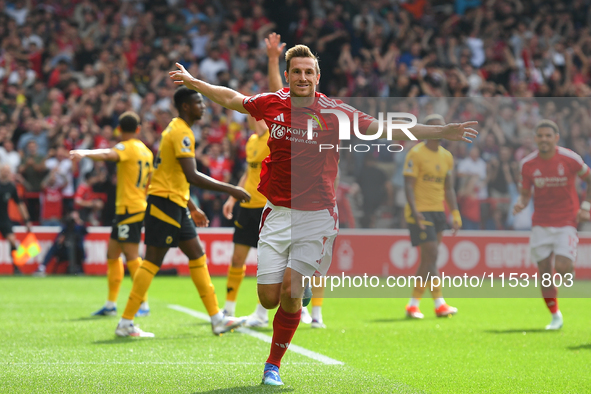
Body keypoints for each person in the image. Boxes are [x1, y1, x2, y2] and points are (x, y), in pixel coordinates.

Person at [169, 39, 478, 385]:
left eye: (309, 72)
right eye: (297, 72)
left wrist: (441, 132)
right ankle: (290, 307)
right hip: (277, 212)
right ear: (287, 76)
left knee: (290, 289)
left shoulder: (336, 112)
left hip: (317, 215)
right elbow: (232, 99)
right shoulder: (273, 103)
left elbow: (388, 128)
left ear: (318, 76)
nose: (303, 77)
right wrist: (195, 83)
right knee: (268, 299)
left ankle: (273, 364)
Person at [114, 87, 251, 338]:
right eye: (199, 102)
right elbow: (191, 175)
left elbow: (172, 175)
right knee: (153, 261)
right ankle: (125, 322)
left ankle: (217, 319)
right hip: (164, 204)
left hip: (175, 202)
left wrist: (192, 206)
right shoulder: (180, 132)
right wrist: (231, 188)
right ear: (186, 106)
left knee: (197, 255)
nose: (204, 106)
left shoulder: (177, 130)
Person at [220, 33, 314, 328]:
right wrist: (232, 196)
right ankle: (236, 309)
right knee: (244, 262)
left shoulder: (277, 132)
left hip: (278, 206)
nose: (253, 115)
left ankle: (306, 308)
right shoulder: (251, 142)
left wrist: (273, 59)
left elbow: (280, 94)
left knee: (288, 266)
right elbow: (249, 171)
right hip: (252, 205)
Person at [69, 111, 154, 317]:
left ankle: (143, 303)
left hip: (129, 209)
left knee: (132, 257)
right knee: (112, 254)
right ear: (138, 129)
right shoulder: (147, 152)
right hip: (131, 207)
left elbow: (109, 155)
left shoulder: (126, 147)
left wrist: (84, 153)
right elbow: (149, 182)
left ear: (119, 130)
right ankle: (110, 305)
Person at [513, 120, 591, 330]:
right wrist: (521, 203)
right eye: (540, 136)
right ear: (535, 139)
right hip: (540, 223)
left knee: (562, 267)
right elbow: (525, 193)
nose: (544, 139)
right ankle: (555, 315)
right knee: (545, 272)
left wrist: (585, 206)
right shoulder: (528, 164)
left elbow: (589, 178)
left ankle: (568, 271)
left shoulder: (569, 158)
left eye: (548, 135)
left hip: (566, 220)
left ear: (556, 138)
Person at [403, 114, 461, 319]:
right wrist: (415, 211)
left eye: (441, 128)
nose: (438, 132)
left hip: (438, 211)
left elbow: (449, 188)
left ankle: (417, 305)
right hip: (420, 211)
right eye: (434, 128)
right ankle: (435, 303)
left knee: (429, 259)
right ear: (426, 131)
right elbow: (408, 186)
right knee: (432, 255)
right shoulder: (416, 154)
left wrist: (454, 212)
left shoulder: (447, 156)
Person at [0, 164, 32, 274]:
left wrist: (27, 220)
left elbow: (20, 204)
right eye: (4, 170)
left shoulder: (11, 187)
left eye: (7, 171)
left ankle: (16, 267)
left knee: (12, 240)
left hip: (4, 218)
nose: (5, 173)